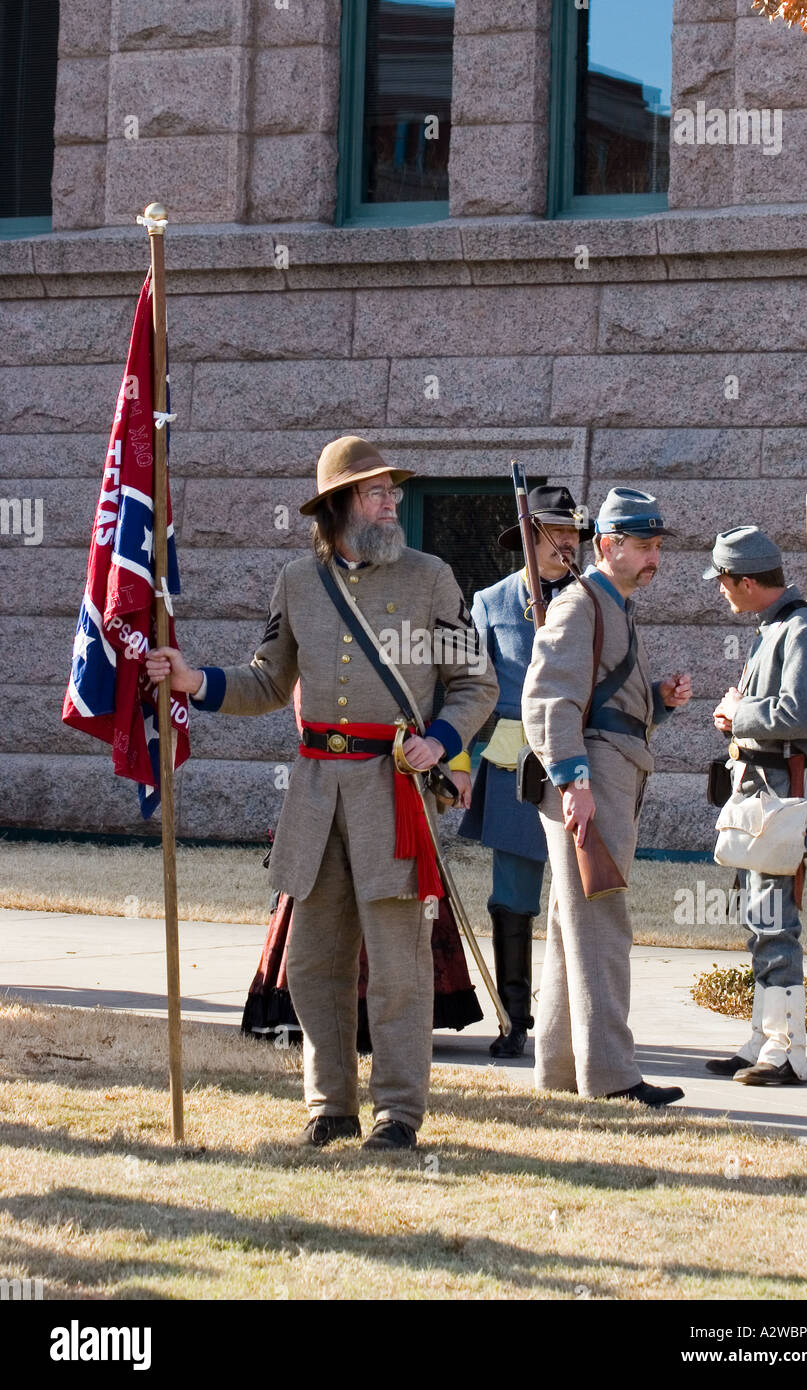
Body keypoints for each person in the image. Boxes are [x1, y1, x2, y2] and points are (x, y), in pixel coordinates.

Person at [146, 436, 498, 1149]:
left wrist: (443, 739)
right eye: (377, 493)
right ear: (340, 506)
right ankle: (329, 1105)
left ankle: (398, 1114)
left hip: (392, 790)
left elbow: (477, 682)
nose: (392, 503)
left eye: (393, 492)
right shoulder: (297, 583)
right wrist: (195, 682)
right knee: (312, 964)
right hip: (313, 796)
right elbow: (269, 683)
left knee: (398, 967)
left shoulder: (433, 578)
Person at [521, 488, 692, 1108]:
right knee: (603, 920)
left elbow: (604, 701)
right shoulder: (581, 604)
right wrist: (574, 783)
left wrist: (658, 700)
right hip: (592, 780)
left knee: (577, 924)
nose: (654, 558)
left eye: (655, 547)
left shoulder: (611, 604)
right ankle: (615, 1076)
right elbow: (547, 701)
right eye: (643, 546)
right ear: (607, 546)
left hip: (608, 772)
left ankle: (563, 1071)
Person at [458, 486, 593, 1057]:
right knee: (512, 894)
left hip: (583, 761)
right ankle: (516, 1020)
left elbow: (619, 684)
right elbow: (464, 687)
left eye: (572, 535)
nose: (567, 544)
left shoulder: (597, 599)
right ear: (529, 540)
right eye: (555, 534)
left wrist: (660, 700)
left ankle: (582, 1025)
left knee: (582, 898)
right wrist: (458, 760)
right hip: (515, 762)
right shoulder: (489, 601)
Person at [704, 525, 807, 1086]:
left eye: (724, 582)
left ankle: (787, 1053)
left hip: (784, 790)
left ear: (746, 580)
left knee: (776, 922)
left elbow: (802, 716)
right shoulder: (776, 628)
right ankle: (762, 1039)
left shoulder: (804, 630)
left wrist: (738, 713)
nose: (721, 591)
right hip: (762, 788)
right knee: (760, 920)